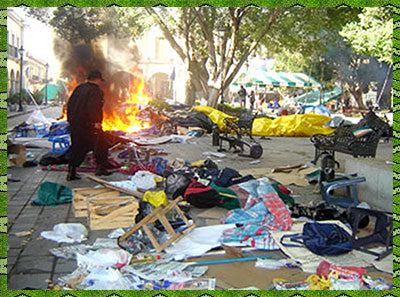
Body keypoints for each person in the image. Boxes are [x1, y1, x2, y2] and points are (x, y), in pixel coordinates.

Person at [66, 70, 112, 181]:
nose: (101, 83)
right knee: (101, 144)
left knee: (77, 146)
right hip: (89, 125)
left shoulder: (79, 88)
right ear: (97, 79)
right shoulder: (95, 91)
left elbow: (70, 104)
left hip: (75, 123)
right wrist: (96, 122)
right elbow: (93, 108)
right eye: (100, 80)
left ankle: (71, 171)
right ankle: (101, 168)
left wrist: (70, 120)